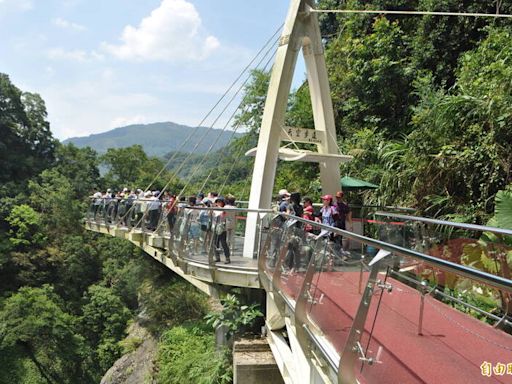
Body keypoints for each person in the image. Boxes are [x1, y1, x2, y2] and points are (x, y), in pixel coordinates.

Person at [213, 197, 231, 264]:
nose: (218, 203)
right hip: (215, 227)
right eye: (217, 202)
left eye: (220, 202)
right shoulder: (215, 209)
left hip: (222, 228)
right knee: (215, 243)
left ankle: (227, 258)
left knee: (223, 243)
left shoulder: (224, 209)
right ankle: (217, 257)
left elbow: (224, 217)